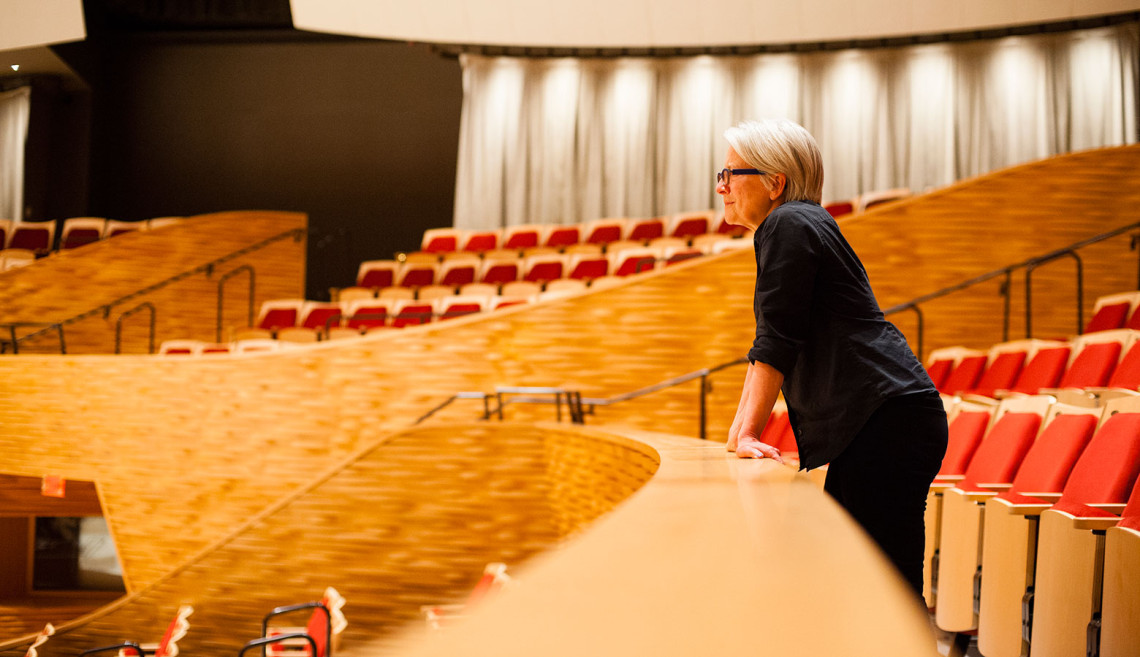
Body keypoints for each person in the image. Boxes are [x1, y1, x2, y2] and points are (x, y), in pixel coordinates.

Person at [720, 118, 948, 597]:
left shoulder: (789, 222)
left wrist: (747, 431)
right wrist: (737, 432)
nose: (722, 188)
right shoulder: (797, 222)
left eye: (730, 174)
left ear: (773, 181)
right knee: (868, 584)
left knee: (883, 589)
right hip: (884, 420)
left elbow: (778, 341)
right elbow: (768, 339)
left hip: (885, 419)